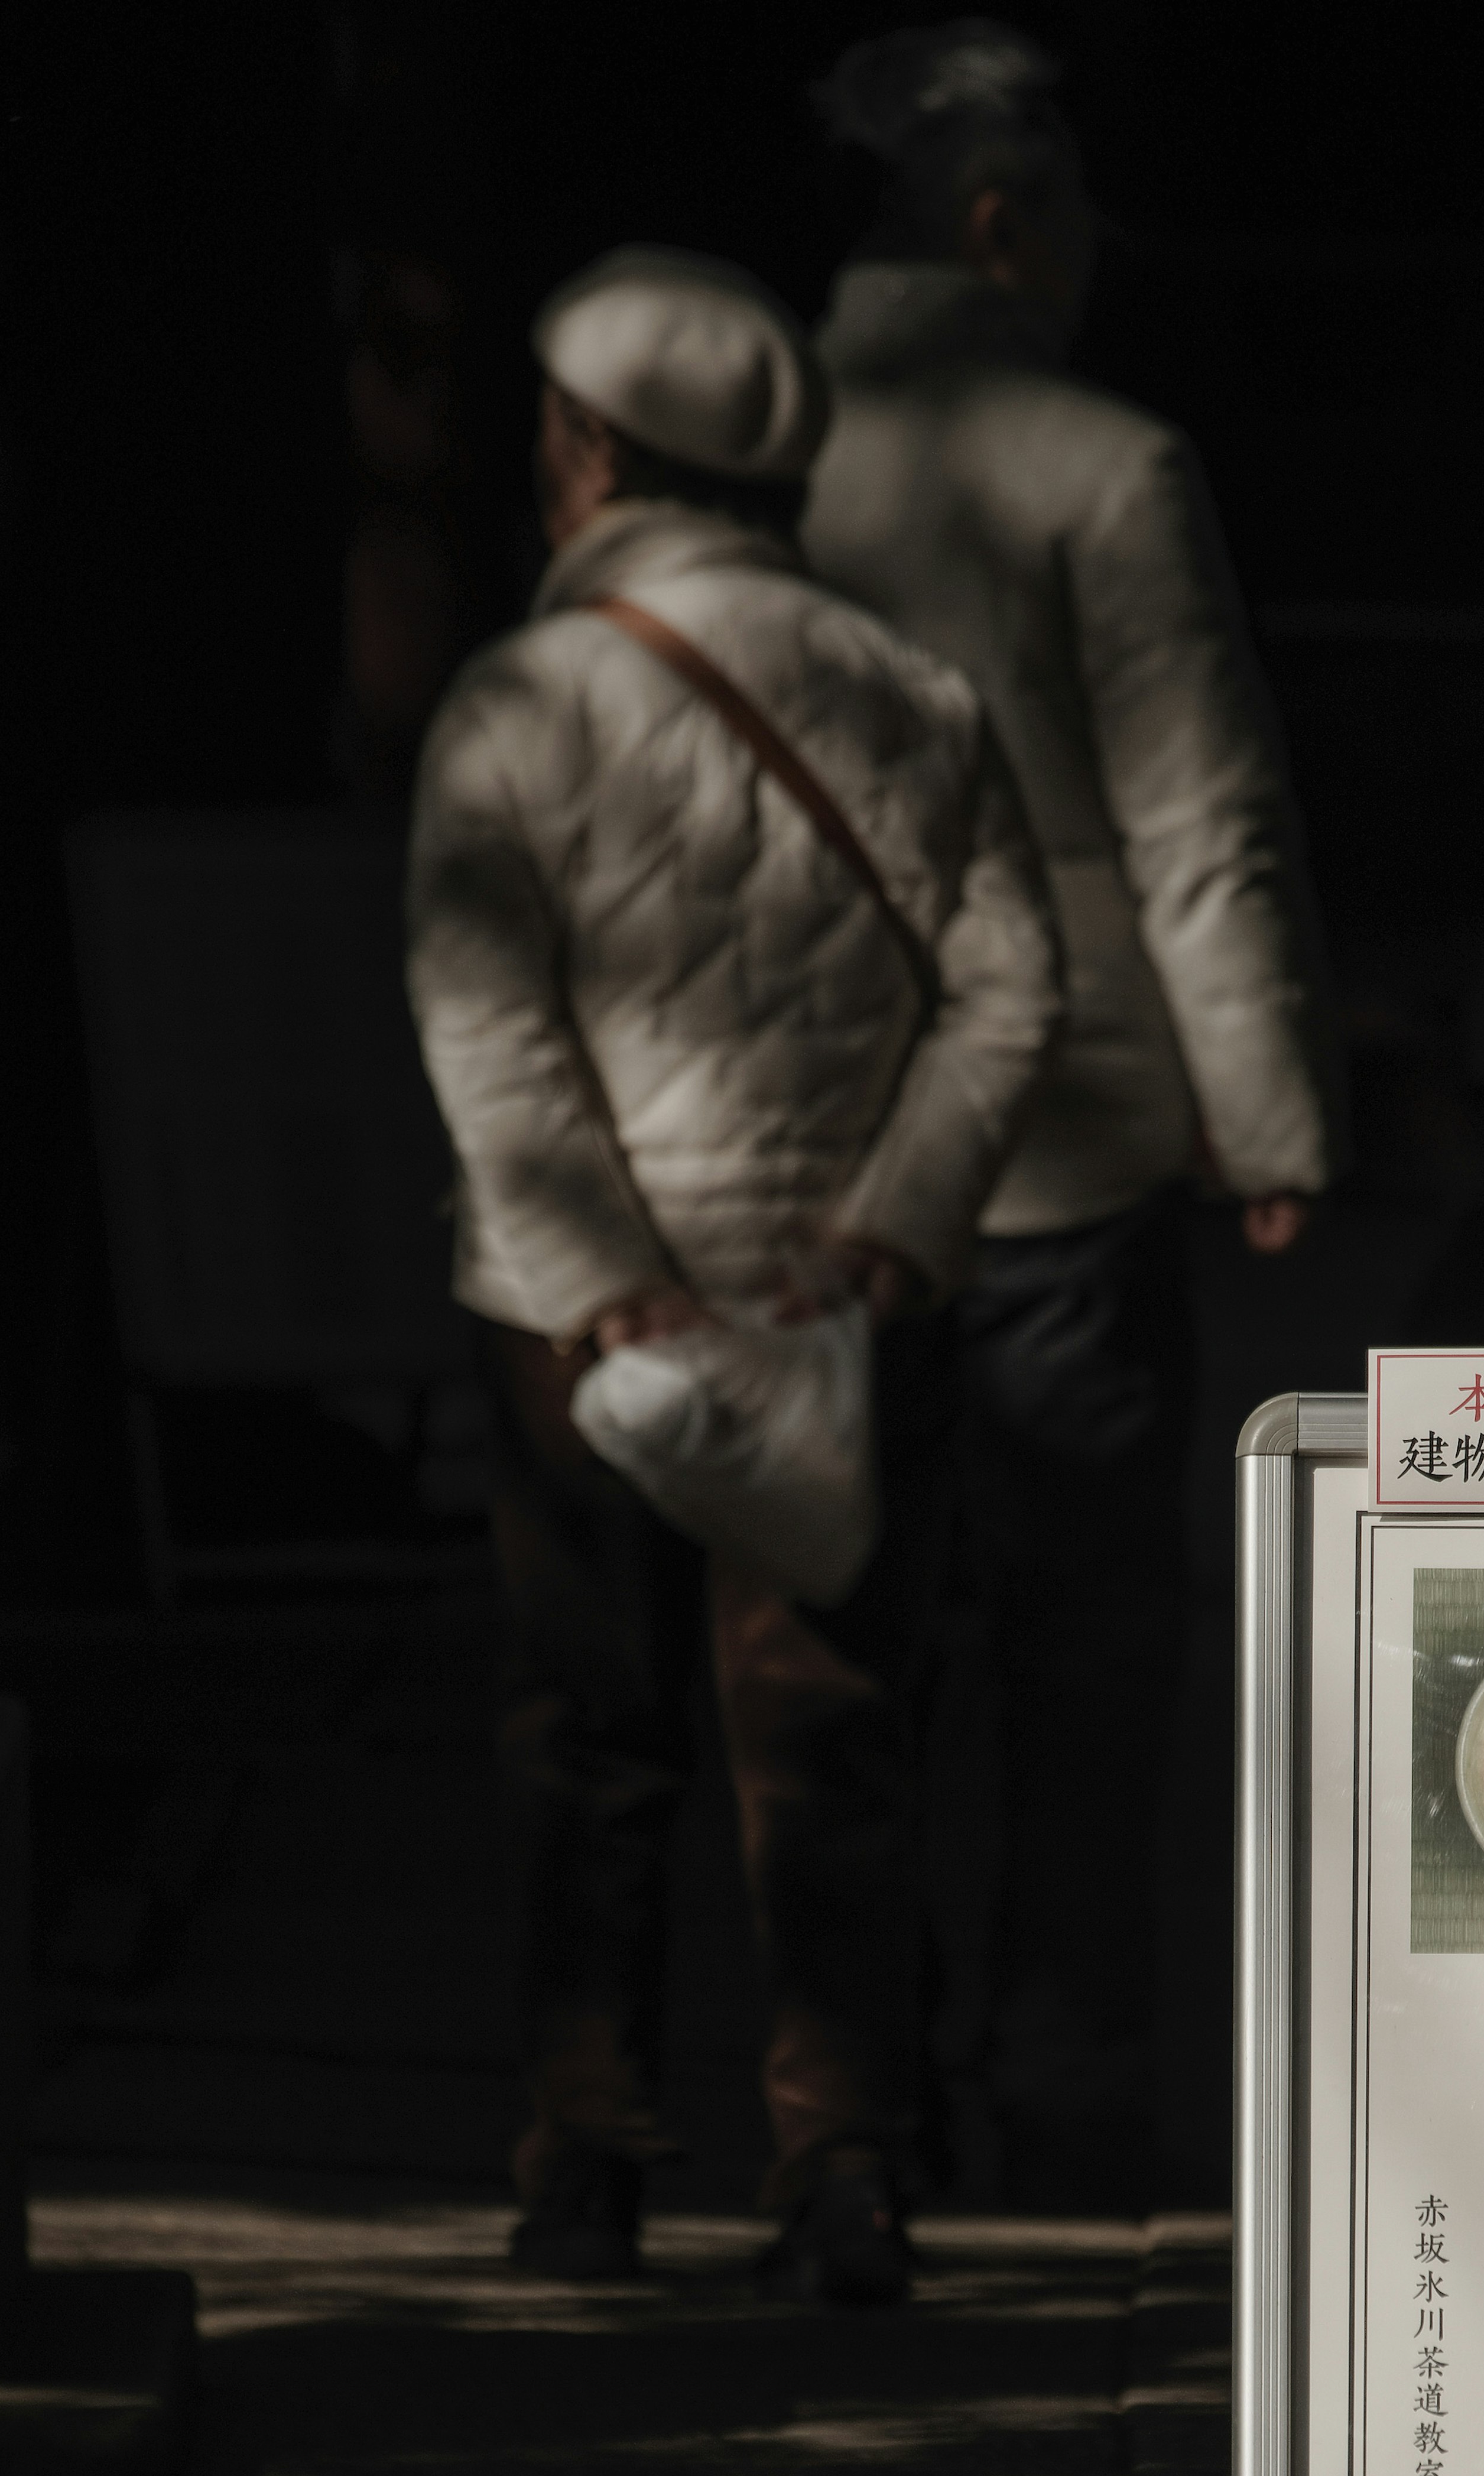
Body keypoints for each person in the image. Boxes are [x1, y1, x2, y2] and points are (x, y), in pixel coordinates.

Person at [406, 246, 1060, 2295]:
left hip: (570, 1322)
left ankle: (582, 2162)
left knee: (590, 1747)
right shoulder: (913, 691)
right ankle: (844, 2163)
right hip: (838, 1309)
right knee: (836, 1743)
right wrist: (894, 1229)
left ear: (596, 450)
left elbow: (487, 1017)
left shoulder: (524, 696)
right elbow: (1013, 992)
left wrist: (604, 1274)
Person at [802, 20, 1341, 2206]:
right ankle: (1069, 2080)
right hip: (1067, 1134)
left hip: (804, 1134)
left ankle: (850, 2082)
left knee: (841, 1637)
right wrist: (1272, 1110)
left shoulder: (763, 456)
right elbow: (1196, 821)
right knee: (1082, 1643)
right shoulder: (1103, 462)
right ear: (1004, 221)